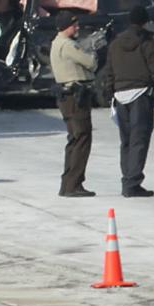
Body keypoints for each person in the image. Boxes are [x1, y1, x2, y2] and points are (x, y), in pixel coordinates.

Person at [102, 6, 154, 198]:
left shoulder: (115, 44)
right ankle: (132, 183)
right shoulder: (147, 43)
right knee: (139, 140)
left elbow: (108, 71)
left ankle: (128, 179)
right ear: (145, 21)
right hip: (141, 95)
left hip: (120, 97)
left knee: (126, 141)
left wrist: (109, 93)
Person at [50, 12, 98, 198]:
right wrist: (93, 51)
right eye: (74, 25)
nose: (77, 28)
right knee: (82, 139)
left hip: (67, 97)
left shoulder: (57, 43)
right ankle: (73, 184)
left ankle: (69, 183)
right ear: (65, 26)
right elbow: (90, 63)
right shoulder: (68, 45)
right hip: (75, 96)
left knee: (74, 139)